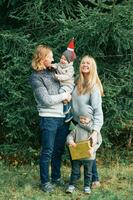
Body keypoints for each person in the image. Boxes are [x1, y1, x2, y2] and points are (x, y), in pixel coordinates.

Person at [30, 45, 71, 193]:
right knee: (47, 151)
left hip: (62, 117)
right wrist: (64, 96)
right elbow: (45, 100)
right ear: (42, 57)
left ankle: (56, 178)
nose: (53, 59)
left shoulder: (53, 71)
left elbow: (68, 79)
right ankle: (45, 182)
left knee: (58, 151)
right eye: (50, 56)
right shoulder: (36, 77)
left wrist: (67, 93)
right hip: (48, 118)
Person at [66, 55, 104, 194]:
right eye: (83, 63)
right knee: (76, 150)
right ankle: (75, 177)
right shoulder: (77, 82)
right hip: (75, 123)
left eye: (88, 63)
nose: (85, 65)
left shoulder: (93, 87)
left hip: (88, 125)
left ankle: (94, 179)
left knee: (88, 151)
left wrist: (95, 131)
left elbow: (98, 113)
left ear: (92, 67)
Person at [66, 114, 102, 194]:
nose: (82, 120)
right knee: (75, 171)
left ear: (90, 119)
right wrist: (70, 141)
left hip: (89, 156)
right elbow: (70, 136)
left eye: (85, 119)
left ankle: (86, 187)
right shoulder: (76, 128)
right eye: (81, 118)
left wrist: (93, 149)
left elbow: (99, 142)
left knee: (88, 173)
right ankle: (71, 186)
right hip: (77, 155)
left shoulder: (94, 129)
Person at [52, 38, 76, 122]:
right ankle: (68, 114)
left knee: (61, 92)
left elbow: (67, 77)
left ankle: (67, 107)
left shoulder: (70, 68)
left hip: (68, 85)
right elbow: (55, 65)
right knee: (60, 91)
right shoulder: (59, 64)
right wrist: (52, 66)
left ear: (69, 61)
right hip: (62, 84)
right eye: (62, 58)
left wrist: (57, 76)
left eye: (65, 59)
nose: (62, 60)